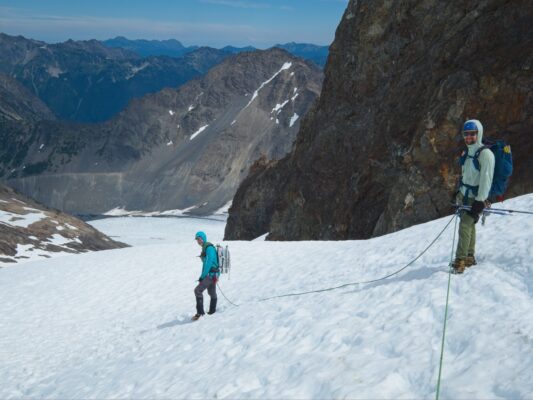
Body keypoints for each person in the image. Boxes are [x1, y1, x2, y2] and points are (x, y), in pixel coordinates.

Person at [452, 119, 495, 274]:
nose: (468, 137)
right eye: (466, 134)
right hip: (464, 195)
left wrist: (480, 201)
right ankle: (469, 257)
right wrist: (458, 191)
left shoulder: (486, 154)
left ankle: (460, 260)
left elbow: (486, 179)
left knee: (464, 225)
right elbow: (466, 174)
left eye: (472, 134)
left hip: (477, 198)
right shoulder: (468, 152)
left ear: (479, 133)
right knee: (469, 225)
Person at [192, 231, 219, 320]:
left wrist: (202, 276)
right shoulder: (205, 248)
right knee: (211, 292)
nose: (198, 241)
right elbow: (206, 264)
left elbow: (208, 263)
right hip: (213, 274)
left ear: (203, 238)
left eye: (199, 239)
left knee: (197, 290)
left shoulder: (209, 248)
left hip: (211, 274)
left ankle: (200, 313)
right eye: (197, 239)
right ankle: (212, 311)